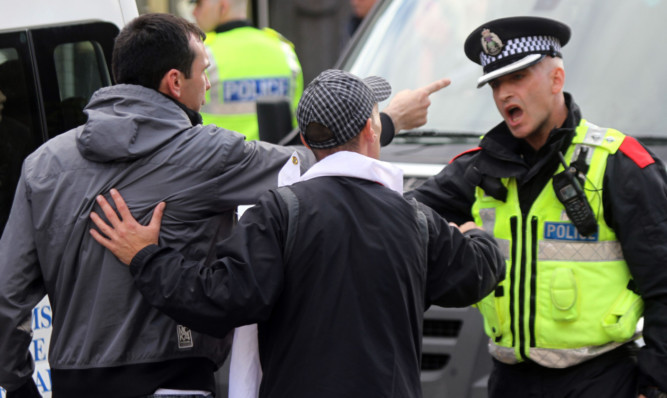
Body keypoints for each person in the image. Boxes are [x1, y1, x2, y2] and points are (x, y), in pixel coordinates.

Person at [88, 69, 506, 398]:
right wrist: (475, 235)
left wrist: (146, 256)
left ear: (307, 139)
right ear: (370, 129)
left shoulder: (279, 212)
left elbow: (218, 299)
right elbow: (477, 274)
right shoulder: (414, 220)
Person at [0, 12, 319, 398]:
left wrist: (17, 383)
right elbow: (309, 168)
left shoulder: (43, 164)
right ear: (174, 81)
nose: (206, 83)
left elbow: (8, 292)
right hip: (173, 378)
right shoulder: (208, 153)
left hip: (72, 381)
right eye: (204, 71)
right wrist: (381, 124)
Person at [406, 16, 667, 398]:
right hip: (508, 381)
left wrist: (656, 385)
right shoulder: (478, 168)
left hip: (600, 381)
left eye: (518, 78)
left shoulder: (617, 164)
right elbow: (394, 218)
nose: (504, 94)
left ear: (556, 80)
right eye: (496, 84)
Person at [190, 0, 303, 141]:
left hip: (219, 158)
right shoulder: (284, 49)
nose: (194, 12)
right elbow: (297, 119)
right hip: (276, 159)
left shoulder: (202, 54)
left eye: (199, 4)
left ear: (222, 7)